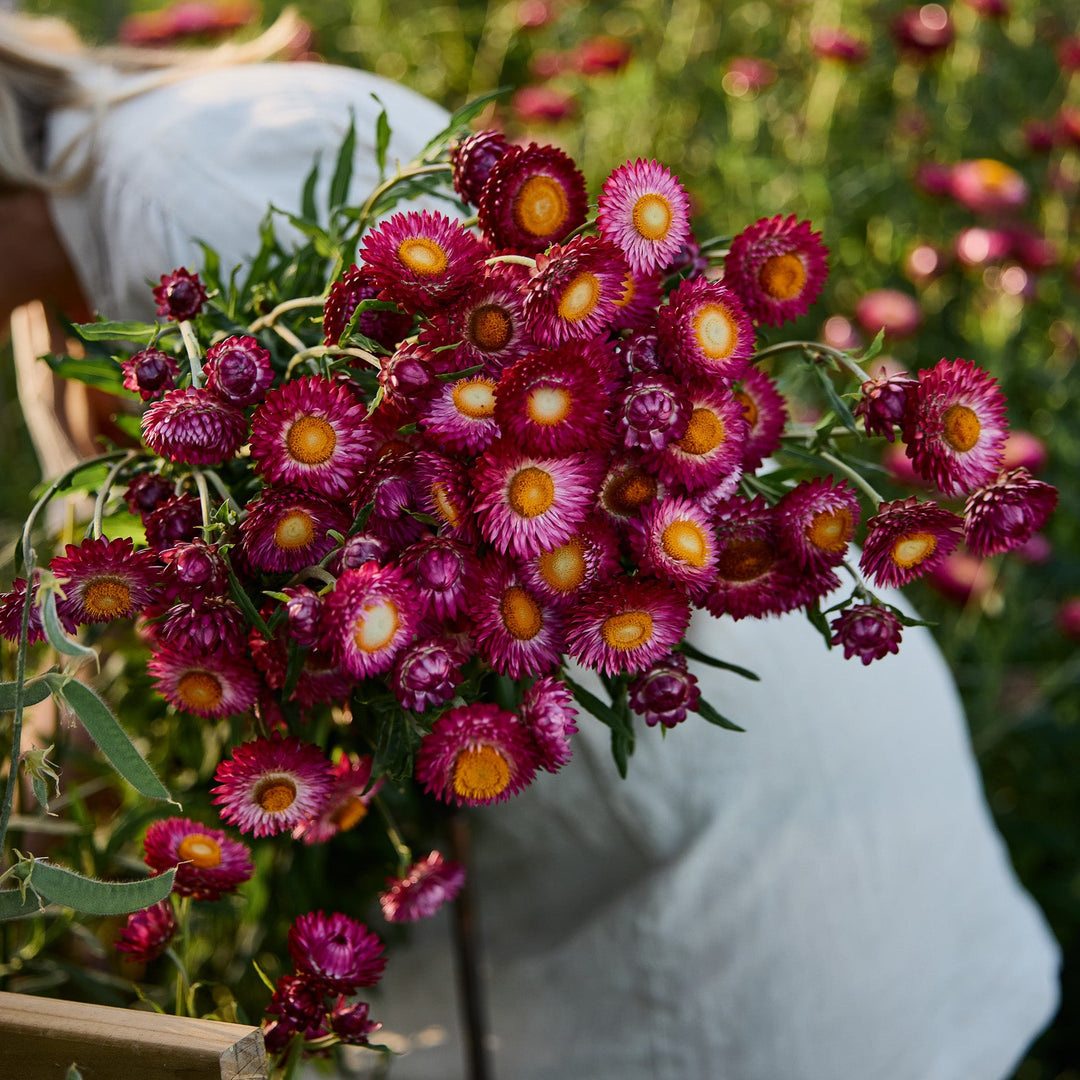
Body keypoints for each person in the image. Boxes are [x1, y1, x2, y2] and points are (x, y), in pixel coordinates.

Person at [0, 11, 1060, 1080]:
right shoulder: (80, 260)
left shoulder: (195, 184)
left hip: (696, 756)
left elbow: (497, 423)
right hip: (563, 760)